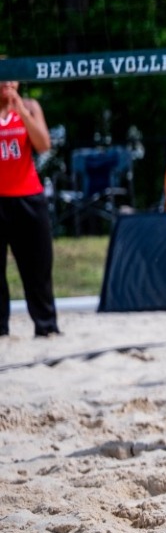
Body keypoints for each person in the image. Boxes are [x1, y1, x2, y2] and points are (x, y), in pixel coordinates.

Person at [0, 64, 58, 338]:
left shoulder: (30, 107)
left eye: (10, 76)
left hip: (27, 197)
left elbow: (44, 144)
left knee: (37, 267)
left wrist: (20, 111)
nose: (7, 82)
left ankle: (46, 327)